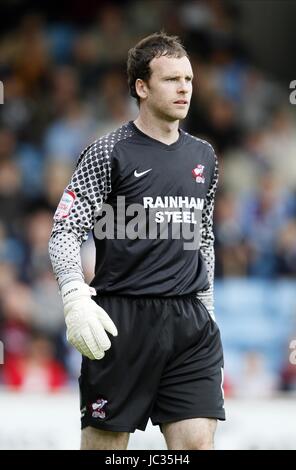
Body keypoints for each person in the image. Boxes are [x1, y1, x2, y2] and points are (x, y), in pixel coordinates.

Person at [49, 31, 225, 450]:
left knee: (197, 445)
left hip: (188, 325)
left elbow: (203, 235)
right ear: (141, 87)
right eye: (171, 79)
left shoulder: (205, 156)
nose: (184, 88)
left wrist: (207, 303)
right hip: (121, 321)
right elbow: (65, 230)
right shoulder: (108, 152)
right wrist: (75, 296)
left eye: (189, 79)